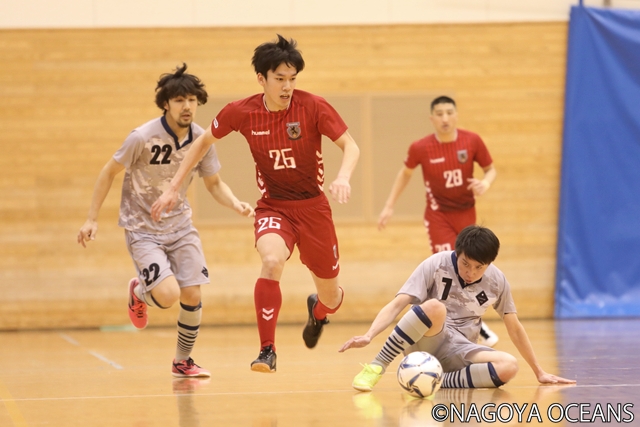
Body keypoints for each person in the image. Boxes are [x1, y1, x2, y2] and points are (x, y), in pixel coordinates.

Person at [151, 35, 360, 373]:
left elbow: (351, 145)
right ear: (261, 79)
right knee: (272, 261)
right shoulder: (242, 112)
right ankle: (267, 350)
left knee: (331, 299)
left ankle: (318, 312)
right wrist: (174, 187)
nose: (287, 86)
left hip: (314, 209)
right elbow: (202, 141)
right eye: (280, 78)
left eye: (292, 79)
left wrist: (344, 177)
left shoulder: (313, 106)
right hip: (274, 207)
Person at [77, 64, 254, 378]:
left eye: (192, 100)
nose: (187, 106)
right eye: (179, 100)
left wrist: (235, 204)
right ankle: (139, 292)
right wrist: (92, 219)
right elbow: (108, 172)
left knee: (193, 293)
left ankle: (182, 361)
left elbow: (214, 184)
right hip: (142, 229)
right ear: (166, 104)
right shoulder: (142, 137)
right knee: (169, 295)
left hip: (181, 227)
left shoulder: (201, 139)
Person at [339, 225, 576, 391]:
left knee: (509, 366)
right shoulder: (436, 264)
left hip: (461, 349)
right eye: (465, 264)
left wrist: (539, 371)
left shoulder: (497, 281)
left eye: (479, 267)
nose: (470, 272)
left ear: (489, 264)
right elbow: (398, 304)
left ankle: (438, 381)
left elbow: (514, 327)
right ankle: (376, 367)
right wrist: (369, 335)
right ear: (457, 252)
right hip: (426, 341)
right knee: (435, 307)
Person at [377, 96, 499, 347]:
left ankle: (469, 319)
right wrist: (389, 205)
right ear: (432, 118)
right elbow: (405, 174)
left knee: (470, 266)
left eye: (449, 113)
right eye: (439, 114)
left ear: (456, 115)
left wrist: (485, 183)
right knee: (448, 264)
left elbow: (491, 169)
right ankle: (449, 321)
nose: (445, 118)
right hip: (438, 215)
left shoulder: (472, 141)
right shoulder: (421, 147)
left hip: (466, 214)